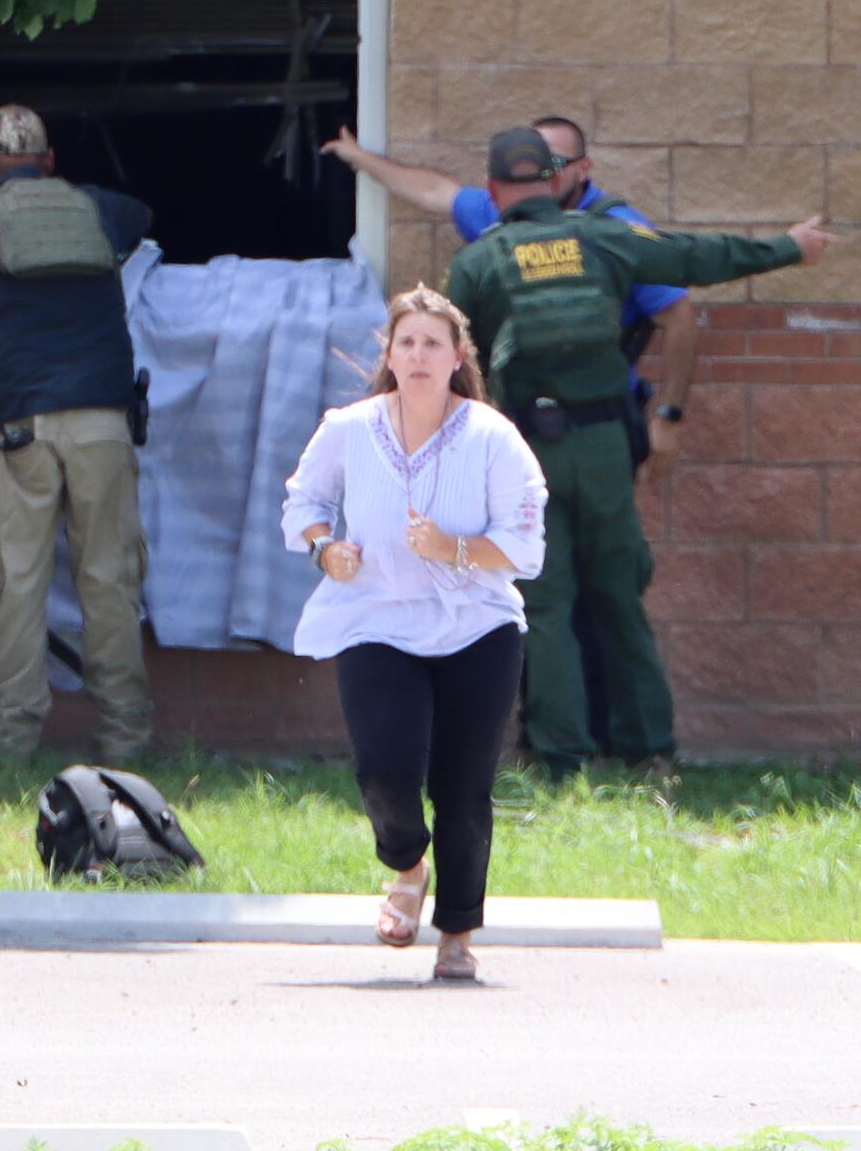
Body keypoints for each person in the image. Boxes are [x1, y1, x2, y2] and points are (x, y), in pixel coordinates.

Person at [441, 128, 836, 774]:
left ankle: (560, 760)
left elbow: (452, 368)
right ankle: (650, 753)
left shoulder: (479, 261)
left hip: (522, 458)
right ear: (555, 180)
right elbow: (693, 259)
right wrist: (788, 248)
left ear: (491, 190)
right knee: (619, 598)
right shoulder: (602, 237)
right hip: (603, 446)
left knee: (544, 606)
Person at [283, 287, 547, 981]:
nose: (420, 355)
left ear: (458, 357)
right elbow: (305, 500)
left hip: (477, 627)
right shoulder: (348, 427)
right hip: (376, 619)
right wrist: (324, 549)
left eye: (434, 343)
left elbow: (524, 545)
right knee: (385, 770)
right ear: (391, 356)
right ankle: (406, 865)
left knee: (463, 787)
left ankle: (457, 932)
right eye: (408, 343)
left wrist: (454, 547)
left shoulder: (492, 436)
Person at [0, 104, 153, 761]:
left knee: (16, 582)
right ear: (50, 162)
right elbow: (143, 217)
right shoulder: (102, 209)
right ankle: (126, 740)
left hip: (20, 428)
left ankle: (11, 744)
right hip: (104, 423)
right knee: (110, 579)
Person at [322, 118, 696, 479]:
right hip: (517, 423)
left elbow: (679, 317)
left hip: (596, 429)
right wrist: (358, 157)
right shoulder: (506, 211)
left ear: (584, 169)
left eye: (551, 164)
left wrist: (668, 416)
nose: (539, 175)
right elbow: (435, 192)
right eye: (530, 165)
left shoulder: (619, 232)